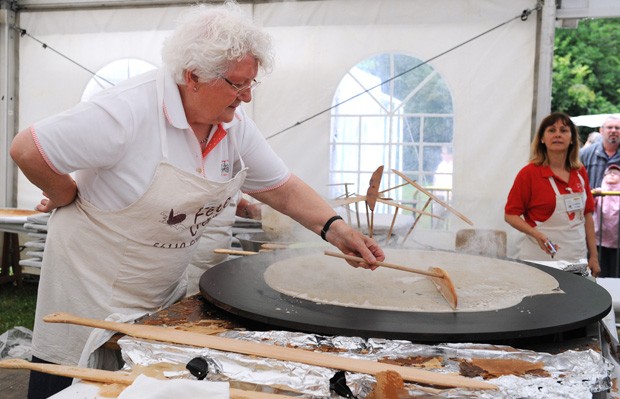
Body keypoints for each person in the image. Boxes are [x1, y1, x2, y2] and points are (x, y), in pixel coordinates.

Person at [9, 2, 384, 398]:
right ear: (193, 77)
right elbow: (28, 148)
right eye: (237, 84)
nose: (246, 97)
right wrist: (63, 192)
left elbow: (281, 187)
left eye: (251, 83)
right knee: (71, 386)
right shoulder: (127, 110)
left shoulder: (234, 127)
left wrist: (334, 227)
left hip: (156, 289)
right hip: (88, 289)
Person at [504, 112, 600, 276]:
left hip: (576, 259)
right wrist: (537, 234)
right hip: (540, 260)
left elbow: (587, 216)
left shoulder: (579, 172)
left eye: (563, 130)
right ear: (542, 138)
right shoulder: (529, 173)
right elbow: (510, 215)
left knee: (574, 301)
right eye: (551, 130)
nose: (557, 134)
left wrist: (594, 257)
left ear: (571, 139)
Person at [185, 193, 261, 296]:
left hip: (217, 266)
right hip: (191, 267)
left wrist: (247, 209)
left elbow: (230, 200)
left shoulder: (234, 178)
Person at [592, 164, 620, 277]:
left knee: (615, 271)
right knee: (600, 270)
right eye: (609, 172)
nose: (612, 174)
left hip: (617, 241)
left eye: (616, 173)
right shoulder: (598, 192)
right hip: (599, 239)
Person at [579, 116, 620, 189]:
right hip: (591, 199)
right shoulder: (585, 154)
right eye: (609, 127)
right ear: (601, 131)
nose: (613, 130)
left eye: (617, 128)